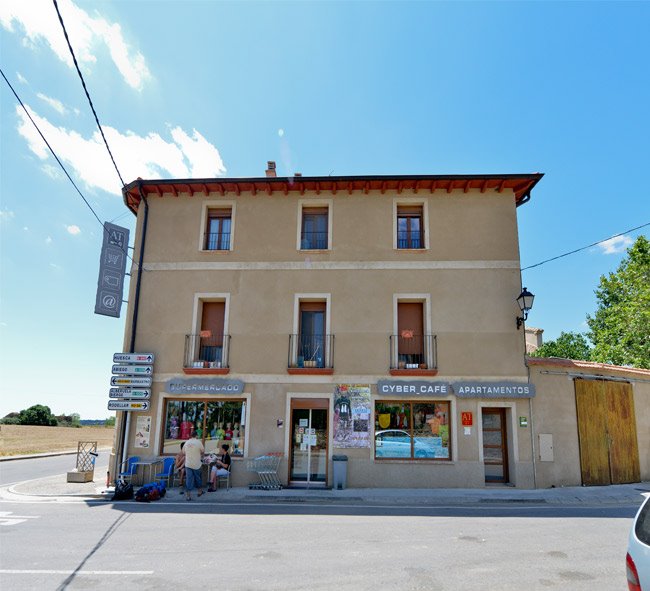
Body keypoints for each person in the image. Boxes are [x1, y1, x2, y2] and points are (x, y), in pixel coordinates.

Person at [182, 429, 204, 500]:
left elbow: (183, 452)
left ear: (191, 436)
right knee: (198, 478)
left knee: (189, 479)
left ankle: (188, 495)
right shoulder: (198, 442)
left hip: (188, 464)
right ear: (196, 436)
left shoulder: (186, 442)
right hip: (196, 464)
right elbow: (202, 451)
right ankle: (199, 491)